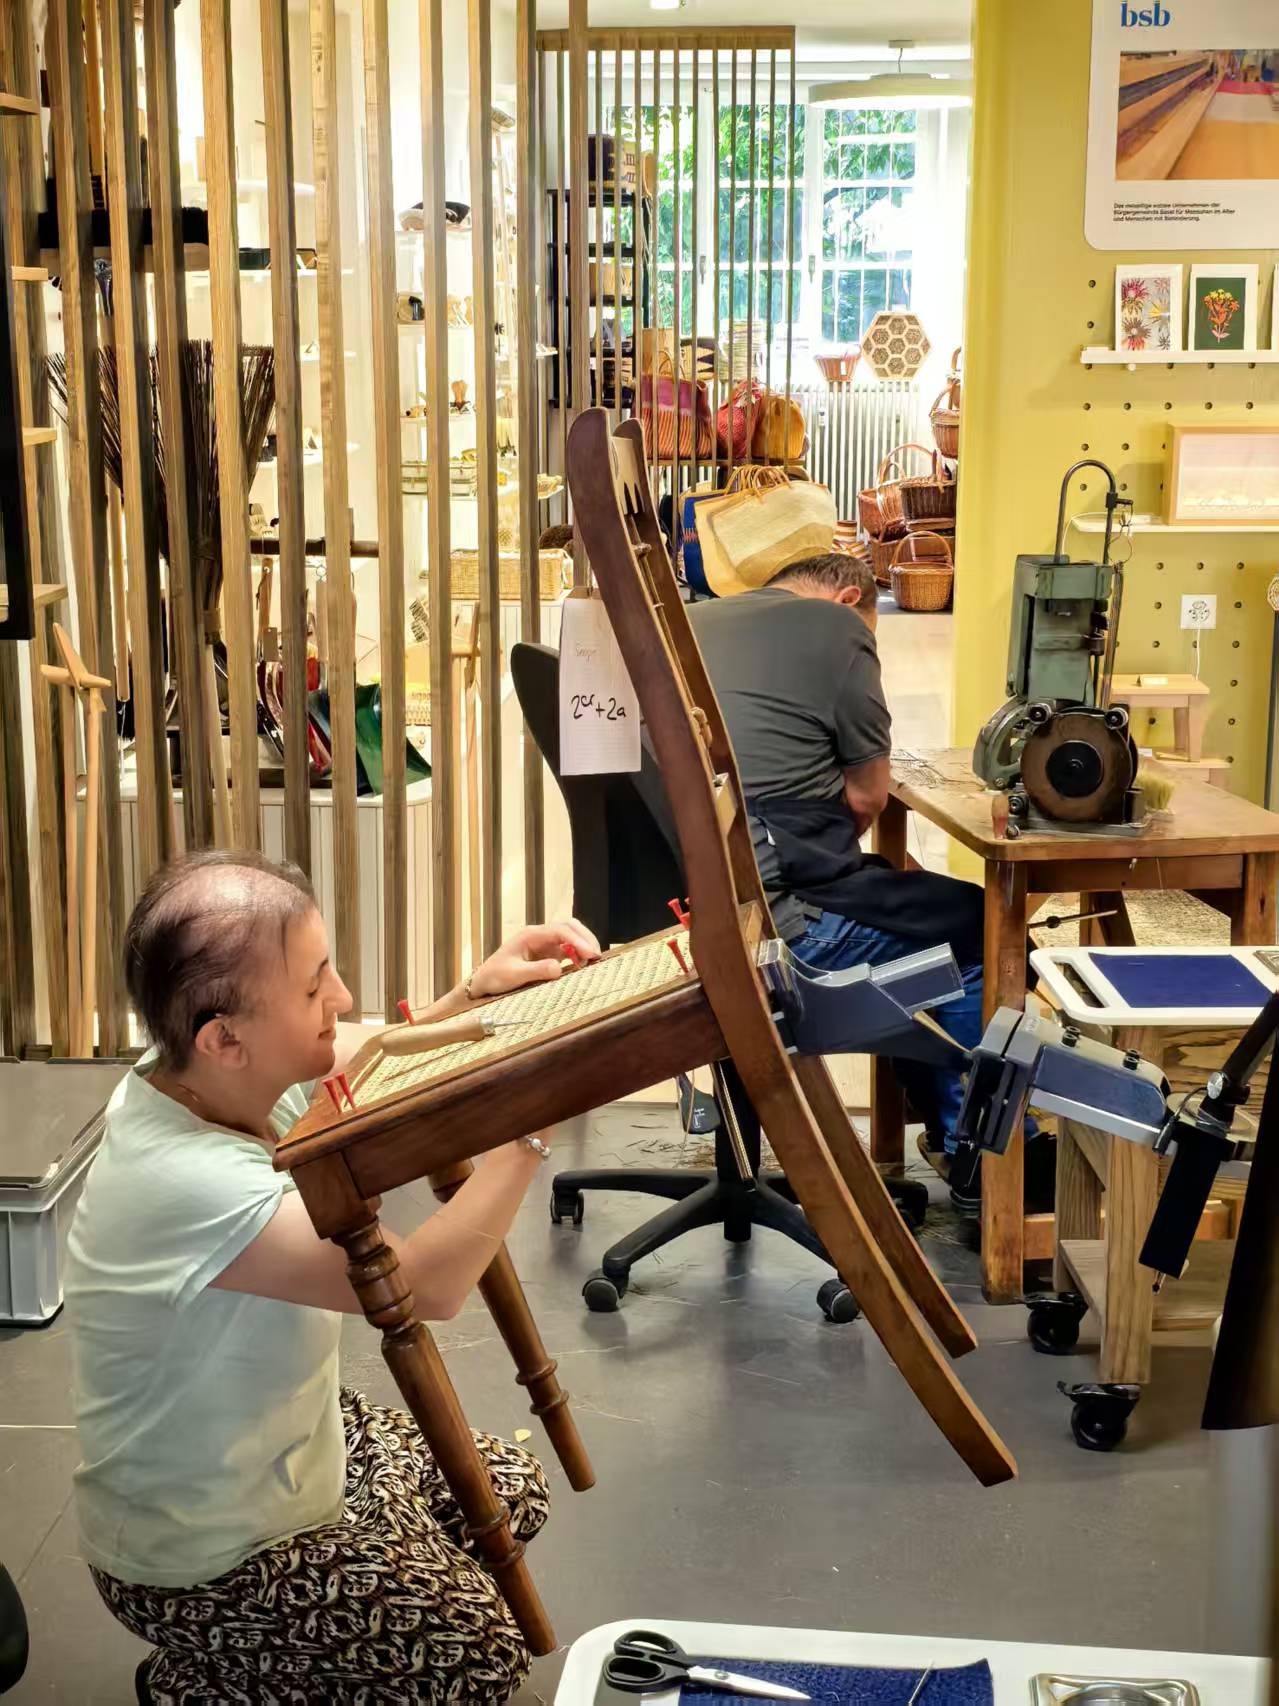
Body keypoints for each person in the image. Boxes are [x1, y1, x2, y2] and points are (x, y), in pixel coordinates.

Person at [65, 848, 602, 1706]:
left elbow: (381, 1055)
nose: (343, 999)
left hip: (289, 1446)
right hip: (200, 1553)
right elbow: (426, 1287)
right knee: (477, 1653)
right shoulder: (187, 1180)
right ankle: (202, 1680)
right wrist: (532, 1129)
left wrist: (476, 996)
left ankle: (280, 1655)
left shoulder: (199, 1076)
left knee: (508, 1492)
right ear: (224, 1038)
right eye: (316, 988)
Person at [688, 553, 1051, 1211]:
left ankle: (947, 1123)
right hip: (777, 925)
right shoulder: (833, 626)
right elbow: (866, 796)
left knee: (913, 905)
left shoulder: (690, 623)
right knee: (981, 931)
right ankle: (985, 1163)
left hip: (686, 914)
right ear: (850, 599)